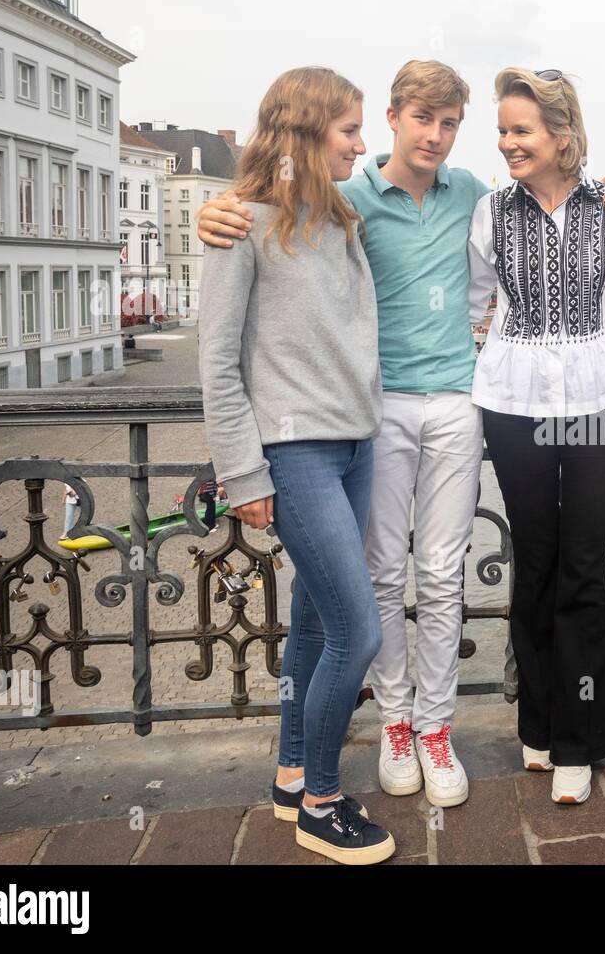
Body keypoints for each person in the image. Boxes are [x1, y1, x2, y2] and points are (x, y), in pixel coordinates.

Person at [197, 61, 605, 810]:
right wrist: (215, 207)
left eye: (452, 123)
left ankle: (437, 726)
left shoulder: (475, 196)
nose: (437, 136)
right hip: (377, 409)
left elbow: (540, 287)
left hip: (463, 403)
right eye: (420, 120)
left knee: (440, 573)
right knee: (377, 577)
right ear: (395, 118)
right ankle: (394, 722)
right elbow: (272, 202)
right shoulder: (347, 198)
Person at [197, 66, 394, 864]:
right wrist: (244, 475)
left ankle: (288, 776)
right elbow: (215, 365)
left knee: (316, 620)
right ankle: (321, 800)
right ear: (309, 132)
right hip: (295, 452)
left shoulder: (341, 220)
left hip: (356, 445)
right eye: (349, 130)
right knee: (361, 629)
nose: (362, 142)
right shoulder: (239, 224)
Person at [467, 67, 605, 805]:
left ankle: (582, 738)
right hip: (513, 404)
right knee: (533, 562)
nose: (507, 143)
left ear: (562, 136)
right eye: (503, 130)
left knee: (583, 565)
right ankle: (536, 725)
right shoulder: (489, 212)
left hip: (600, 400)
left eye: (521, 131)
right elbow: (475, 305)